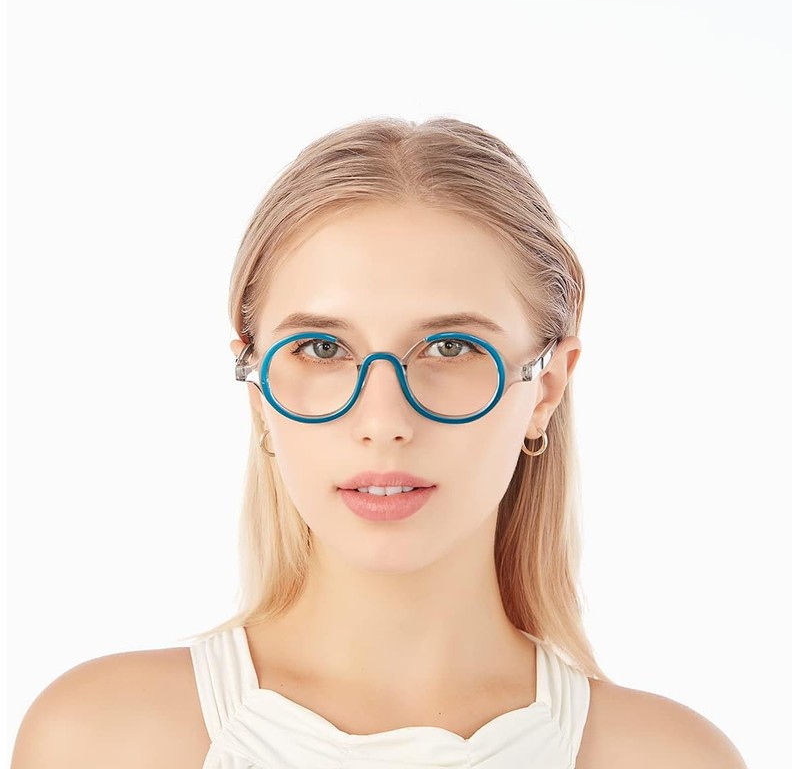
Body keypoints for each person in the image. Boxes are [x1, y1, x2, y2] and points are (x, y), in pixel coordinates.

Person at [11, 117, 748, 768]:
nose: (384, 419)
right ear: (257, 385)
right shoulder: (98, 740)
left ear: (547, 386)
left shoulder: (674, 759)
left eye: (452, 347)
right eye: (323, 349)